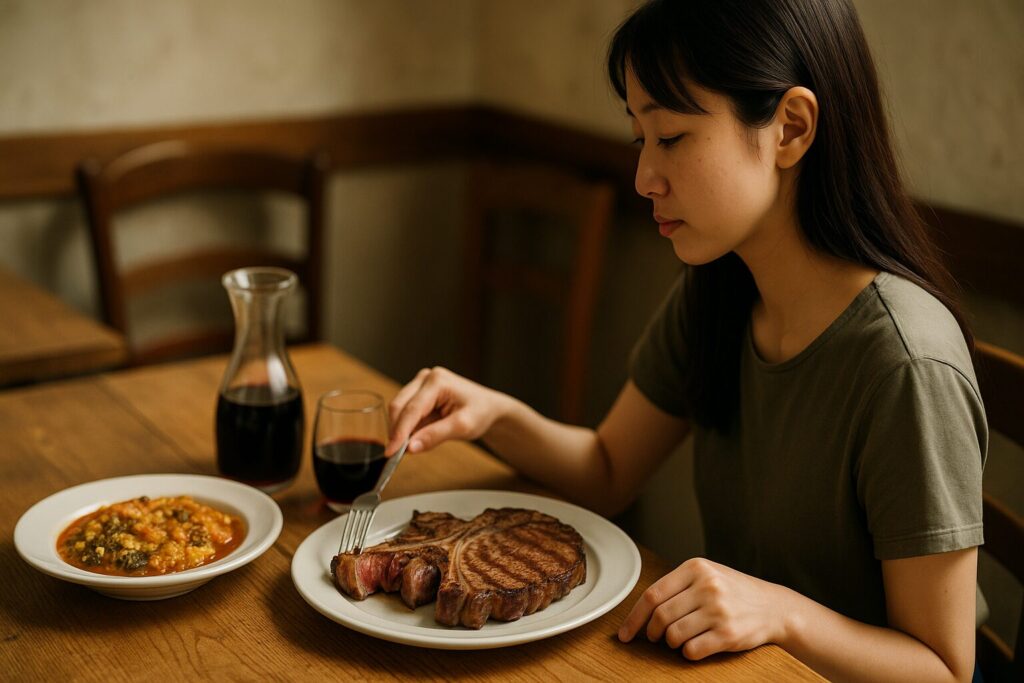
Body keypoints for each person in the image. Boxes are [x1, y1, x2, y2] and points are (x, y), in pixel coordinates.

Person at [386, 1, 986, 680]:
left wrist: (782, 612)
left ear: (791, 128)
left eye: (670, 136)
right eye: (639, 138)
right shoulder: (721, 290)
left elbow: (944, 667)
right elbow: (609, 470)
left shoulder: (906, 362)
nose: (644, 177)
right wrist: (496, 414)